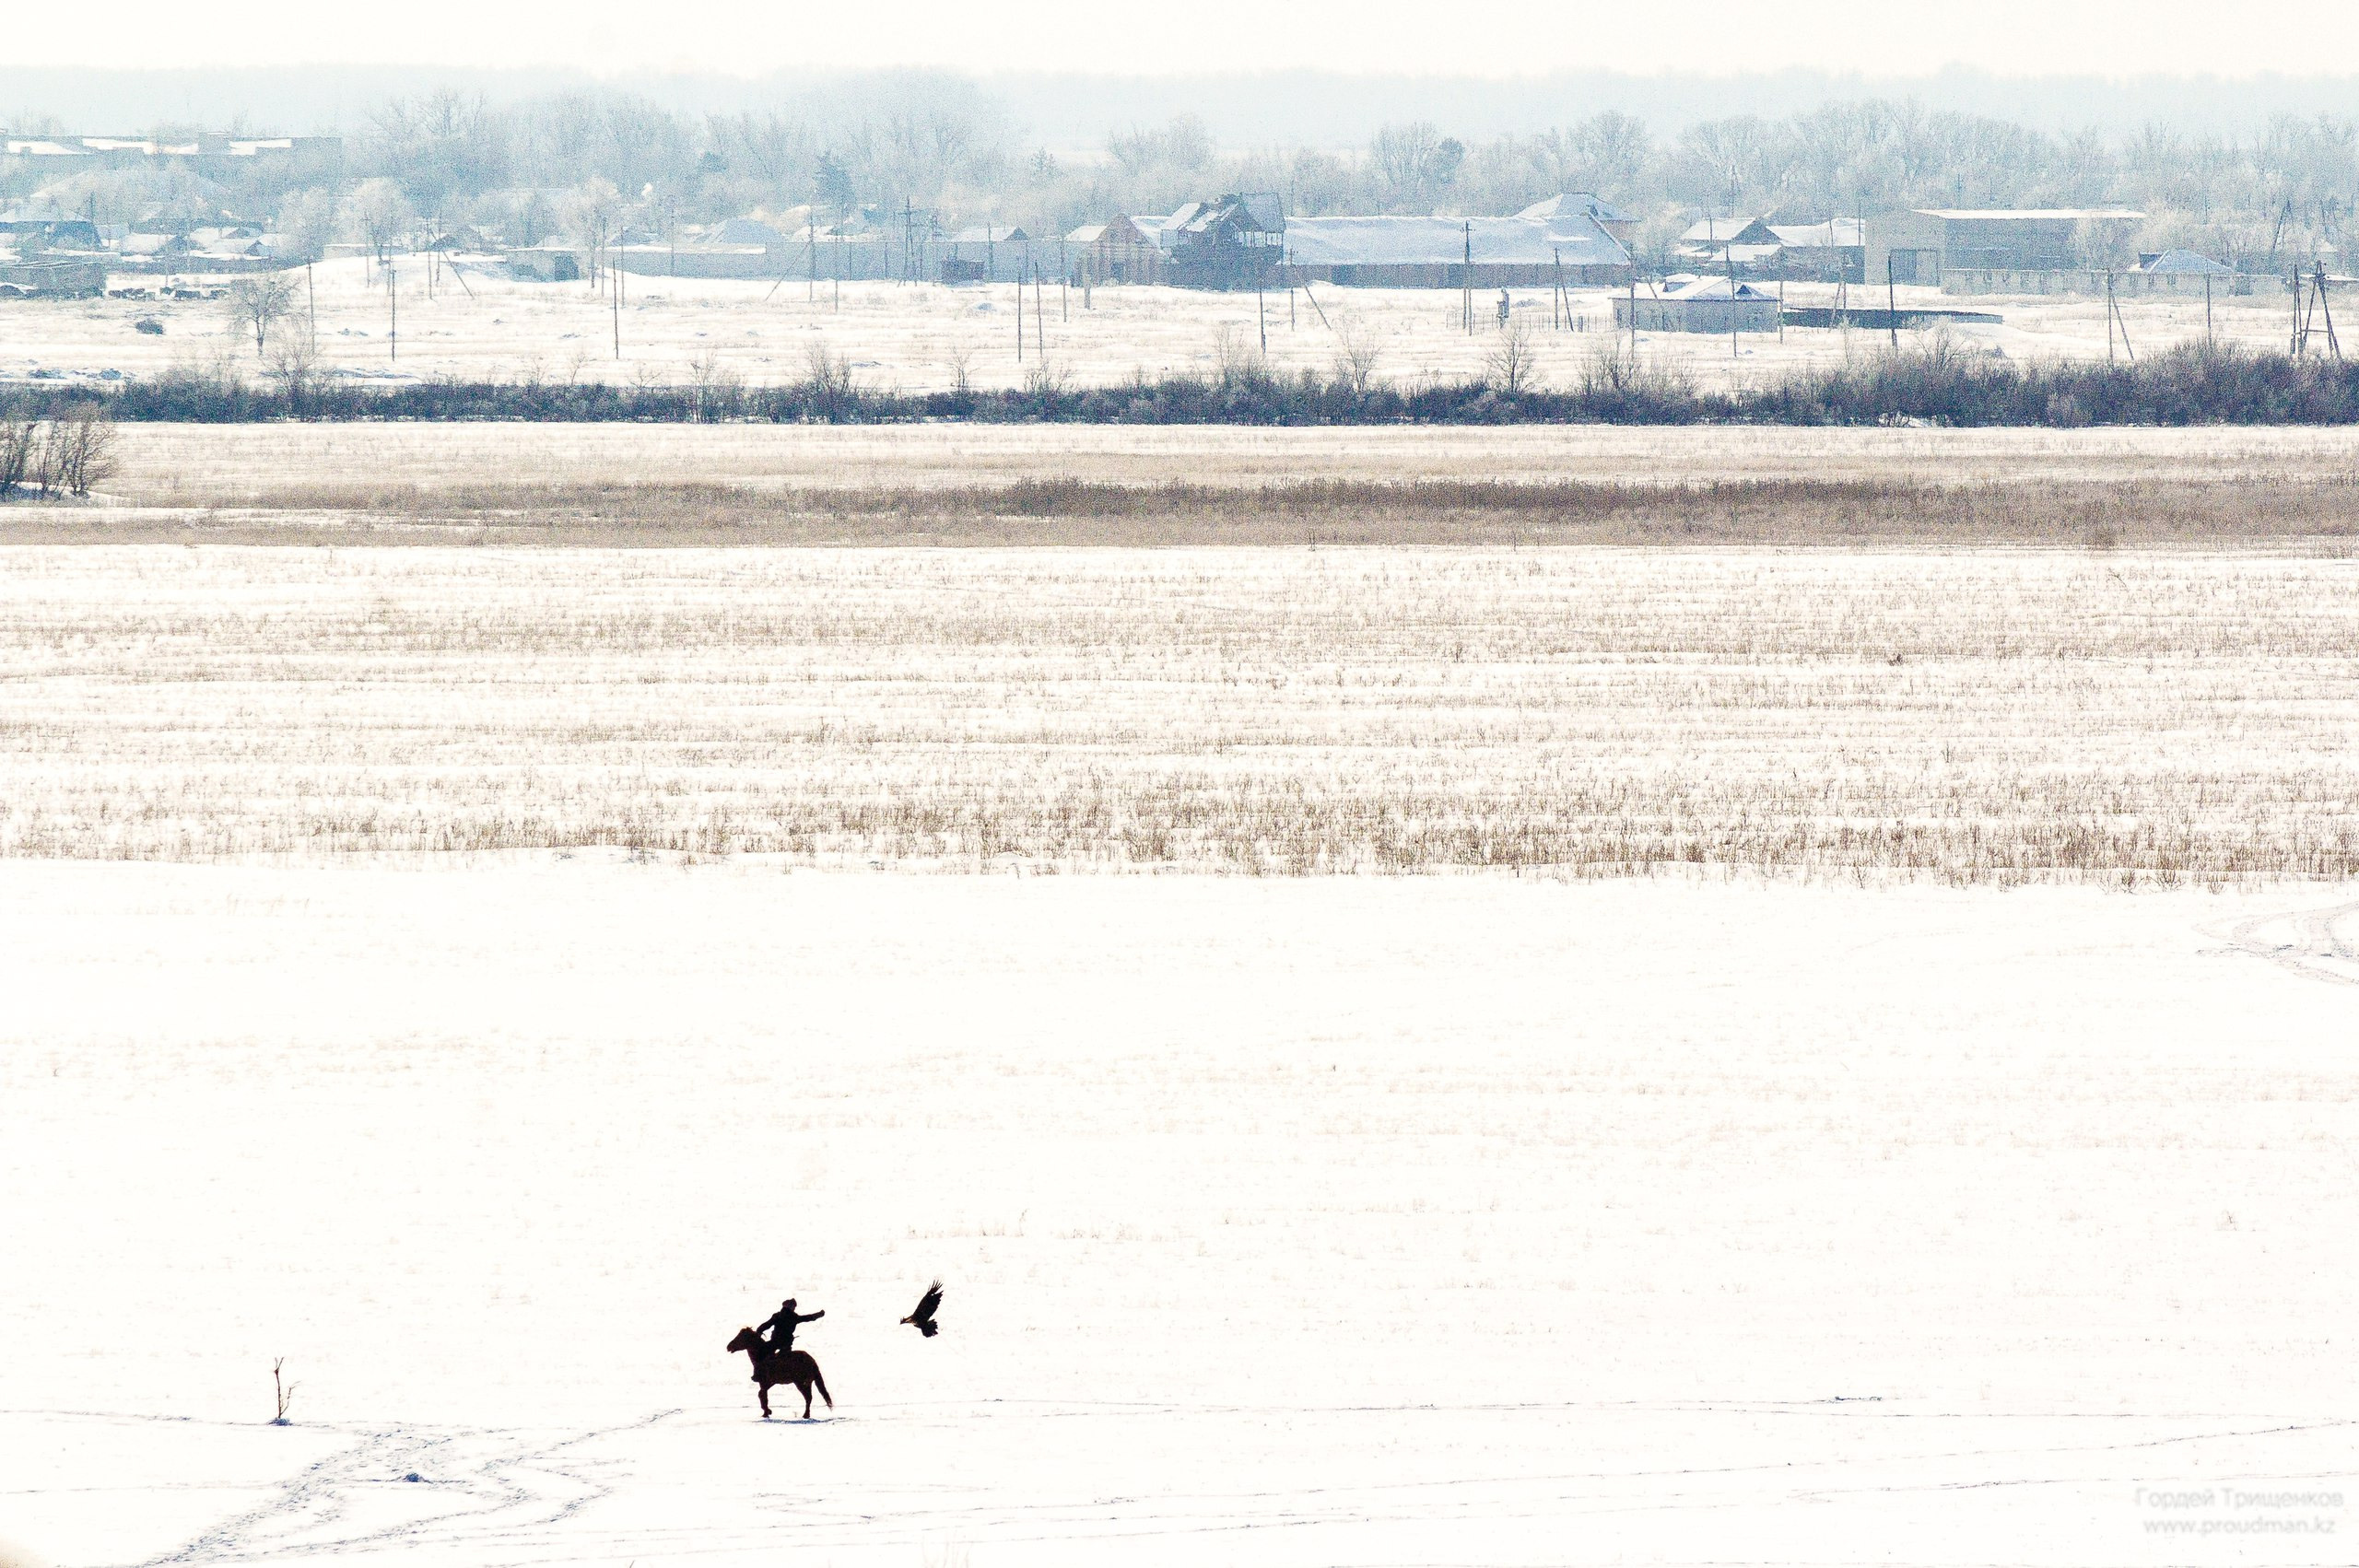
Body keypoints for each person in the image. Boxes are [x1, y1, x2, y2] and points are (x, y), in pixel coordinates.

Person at [758, 1298, 824, 1357]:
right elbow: (808, 1318)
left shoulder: (777, 1316)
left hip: (775, 1341)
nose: (794, 1309)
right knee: (786, 1359)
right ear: (791, 1307)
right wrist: (819, 1314)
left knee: (763, 1353)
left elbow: (767, 1324)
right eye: (794, 1307)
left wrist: (759, 1330)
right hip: (786, 1343)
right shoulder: (794, 1317)